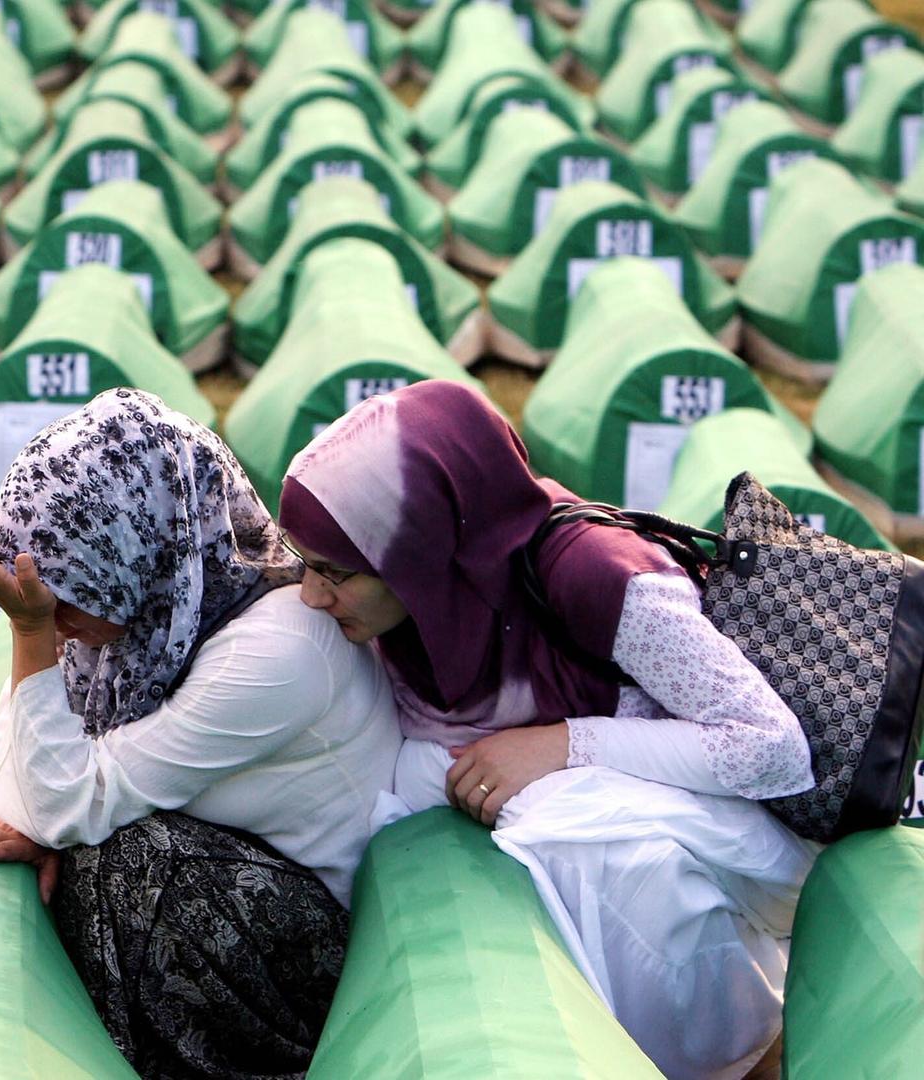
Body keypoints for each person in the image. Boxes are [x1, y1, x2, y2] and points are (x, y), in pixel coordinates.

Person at [277, 380, 816, 1079]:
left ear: (419, 547)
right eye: (305, 565)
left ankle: (736, 1054)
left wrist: (563, 744)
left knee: (563, 827)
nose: (311, 597)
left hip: (733, 827)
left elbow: (772, 749)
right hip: (644, 805)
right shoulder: (426, 606)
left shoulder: (594, 574)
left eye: (336, 573)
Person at [0, 388, 402, 1080]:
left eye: (66, 594)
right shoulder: (143, 623)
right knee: (78, 837)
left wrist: (28, 632)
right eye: (38, 596)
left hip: (321, 948)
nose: (55, 618)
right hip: (239, 879)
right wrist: (43, 818)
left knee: (129, 862)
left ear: (135, 549)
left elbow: (60, 805)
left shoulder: (277, 653)